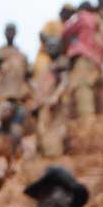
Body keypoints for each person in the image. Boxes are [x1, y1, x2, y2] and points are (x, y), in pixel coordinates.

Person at [59, 2, 103, 119]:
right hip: (96, 61)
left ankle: (87, 120)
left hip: (84, 58)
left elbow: (65, 32)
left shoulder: (82, 16)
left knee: (82, 86)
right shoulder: (99, 22)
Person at [30, 23, 69, 159]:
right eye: (48, 46)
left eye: (53, 46)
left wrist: (55, 96)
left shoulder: (60, 63)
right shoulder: (48, 65)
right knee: (41, 129)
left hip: (52, 104)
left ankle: (53, 155)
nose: (50, 49)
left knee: (52, 130)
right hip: (43, 103)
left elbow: (64, 81)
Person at [0, 23, 30, 116]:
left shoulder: (21, 55)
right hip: (2, 93)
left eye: (12, 31)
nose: (10, 33)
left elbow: (27, 74)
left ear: (15, 33)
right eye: (8, 31)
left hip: (18, 94)